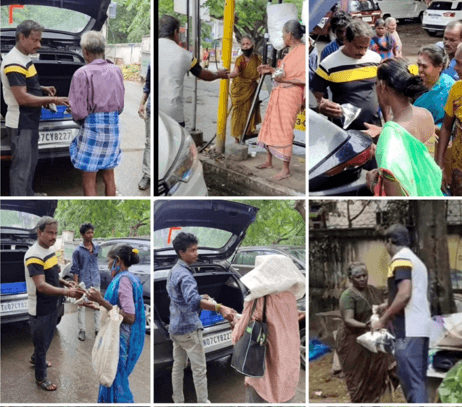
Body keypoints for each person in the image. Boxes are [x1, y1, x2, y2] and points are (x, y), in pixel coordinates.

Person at [0, 20, 69, 196]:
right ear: (22, 37)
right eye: (35, 40)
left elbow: (25, 85)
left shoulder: (23, 58)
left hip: (30, 121)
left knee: (31, 162)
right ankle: (20, 197)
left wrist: (42, 88)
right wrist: (53, 99)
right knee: (21, 168)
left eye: (40, 40)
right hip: (21, 123)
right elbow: (22, 98)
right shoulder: (14, 63)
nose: (39, 44)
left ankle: (29, 193)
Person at [167, 232, 236, 403]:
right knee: (199, 370)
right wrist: (220, 307)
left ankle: (178, 400)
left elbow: (179, 297)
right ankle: (203, 402)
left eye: (196, 249)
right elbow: (192, 301)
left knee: (178, 366)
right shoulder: (185, 275)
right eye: (192, 250)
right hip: (189, 329)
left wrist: (201, 296)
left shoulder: (173, 271)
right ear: (181, 252)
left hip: (175, 328)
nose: (196, 253)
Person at [231, 255, 305, 403]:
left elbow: (238, 336)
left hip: (264, 372)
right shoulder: (290, 297)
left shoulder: (259, 299)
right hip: (288, 368)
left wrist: (235, 322)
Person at [365, 58, 443, 196]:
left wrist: (372, 184)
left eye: (376, 83)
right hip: (431, 191)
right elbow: (420, 159)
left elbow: (393, 193)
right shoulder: (426, 115)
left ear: (383, 86)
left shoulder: (390, 133)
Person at [372, 224, 431, 403]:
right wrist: (387, 304)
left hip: (408, 329)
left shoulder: (400, 260)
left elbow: (404, 293)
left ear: (389, 242)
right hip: (419, 327)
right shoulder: (415, 260)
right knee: (418, 380)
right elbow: (413, 293)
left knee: (411, 383)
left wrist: (382, 320)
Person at [24, 216, 85, 391]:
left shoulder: (48, 251)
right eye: (49, 233)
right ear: (39, 232)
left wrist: (64, 282)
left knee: (48, 337)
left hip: (52, 304)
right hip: (40, 308)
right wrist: (67, 292)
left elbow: (51, 275)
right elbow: (41, 286)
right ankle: (41, 378)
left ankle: (36, 358)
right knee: (43, 342)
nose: (53, 237)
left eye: (55, 233)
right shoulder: (34, 255)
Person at [86, 244, 146, 403]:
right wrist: (97, 304)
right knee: (113, 377)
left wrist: (100, 300)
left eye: (109, 261)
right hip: (121, 336)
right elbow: (116, 306)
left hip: (121, 340)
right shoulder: (129, 277)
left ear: (118, 261)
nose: (108, 265)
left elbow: (129, 316)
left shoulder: (124, 280)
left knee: (115, 380)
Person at [68, 31, 124, 196]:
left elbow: (78, 112)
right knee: (109, 176)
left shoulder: (82, 73)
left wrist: (77, 114)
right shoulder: (117, 71)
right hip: (112, 128)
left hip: (92, 129)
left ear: (85, 51)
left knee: (89, 178)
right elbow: (120, 106)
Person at [312, 19, 389, 131]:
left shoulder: (375, 59)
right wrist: (321, 107)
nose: (362, 52)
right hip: (342, 133)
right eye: (358, 47)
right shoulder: (328, 64)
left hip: (373, 129)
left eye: (366, 47)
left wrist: (388, 124)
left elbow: (382, 94)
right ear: (346, 40)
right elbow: (313, 98)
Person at [255, 20, 306, 181]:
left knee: (284, 130)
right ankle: (268, 160)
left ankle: (285, 169)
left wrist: (273, 72)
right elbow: (282, 74)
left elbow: (302, 79)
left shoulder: (302, 51)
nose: (283, 37)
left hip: (290, 96)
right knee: (270, 124)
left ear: (290, 35)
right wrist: (270, 71)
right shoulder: (291, 52)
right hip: (279, 93)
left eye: (284, 34)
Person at [158, 15, 229, 127]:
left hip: (152, 109)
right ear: (176, 33)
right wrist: (219, 74)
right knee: (175, 143)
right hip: (172, 113)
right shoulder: (184, 54)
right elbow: (202, 74)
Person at [336, 262, 392, 402]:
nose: (362, 279)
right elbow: (348, 319)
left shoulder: (373, 291)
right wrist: (366, 326)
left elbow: (379, 309)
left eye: (364, 275)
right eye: (357, 276)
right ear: (350, 278)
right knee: (358, 380)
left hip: (372, 339)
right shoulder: (348, 296)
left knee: (376, 376)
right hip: (352, 342)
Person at [227, 35, 262, 143]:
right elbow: (235, 73)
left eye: (248, 44)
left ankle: (248, 132)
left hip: (252, 89)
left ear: (253, 45)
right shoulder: (240, 59)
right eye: (243, 44)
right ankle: (237, 137)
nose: (246, 46)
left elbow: (261, 73)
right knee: (238, 114)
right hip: (239, 90)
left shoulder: (258, 59)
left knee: (250, 111)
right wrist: (223, 75)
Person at [70, 223, 100, 342]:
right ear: (82, 235)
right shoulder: (77, 251)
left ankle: (98, 330)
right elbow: (75, 269)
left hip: (96, 280)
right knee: (81, 306)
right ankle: (82, 330)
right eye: (88, 233)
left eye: (92, 232)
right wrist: (76, 285)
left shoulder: (97, 247)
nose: (91, 235)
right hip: (84, 282)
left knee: (97, 306)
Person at [137, 63, 150, 190]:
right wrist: (142, 104)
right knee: (150, 143)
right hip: (152, 110)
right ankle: (147, 174)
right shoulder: (152, 63)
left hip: (170, 111)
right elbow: (147, 87)